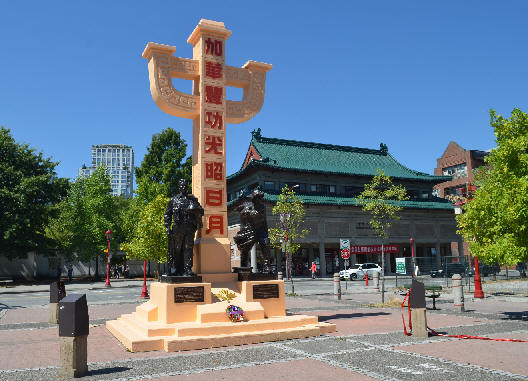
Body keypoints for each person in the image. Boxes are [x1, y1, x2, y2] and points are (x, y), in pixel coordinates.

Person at [164, 179, 204, 276]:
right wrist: (167, 227)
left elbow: (201, 211)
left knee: (188, 248)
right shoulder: (173, 200)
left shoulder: (193, 200)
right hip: (177, 228)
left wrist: (195, 209)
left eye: (186, 186)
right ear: (179, 187)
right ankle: (176, 268)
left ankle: (187, 269)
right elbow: (167, 215)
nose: (184, 187)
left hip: (189, 227)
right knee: (177, 249)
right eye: (182, 185)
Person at [233, 188, 271, 272]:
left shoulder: (262, 206)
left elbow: (260, 218)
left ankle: (267, 266)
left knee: (265, 243)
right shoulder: (246, 205)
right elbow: (235, 208)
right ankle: (243, 266)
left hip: (260, 228)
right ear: (253, 198)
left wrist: (250, 213)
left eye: (259, 198)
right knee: (245, 248)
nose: (258, 200)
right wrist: (243, 210)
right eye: (256, 198)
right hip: (249, 229)